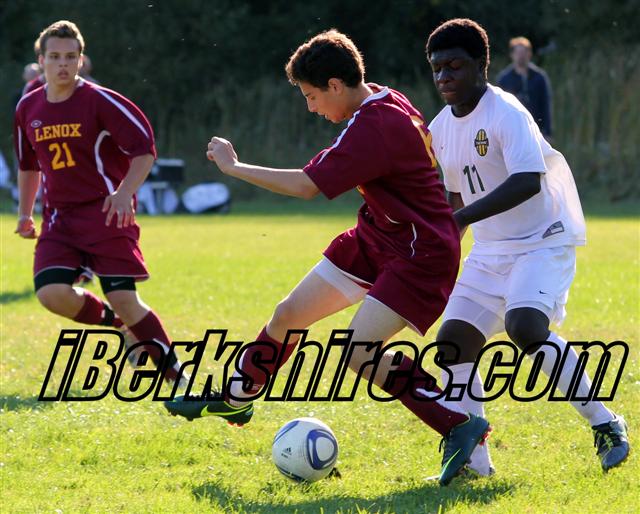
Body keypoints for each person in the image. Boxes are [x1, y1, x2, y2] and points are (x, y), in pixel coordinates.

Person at [164, 29, 490, 486]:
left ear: (336, 85)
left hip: (421, 252)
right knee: (289, 314)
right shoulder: (380, 100)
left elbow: (306, 186)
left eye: (311, 96)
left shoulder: (374, 126)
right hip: (378, 236)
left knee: (359, 352)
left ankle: (458, 423)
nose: (311, 107)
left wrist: (234, 168)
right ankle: (237, 397)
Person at [425, 18, 629, 476]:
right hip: (490, 250)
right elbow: (456, 195)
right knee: (453, 341)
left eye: (454, 66)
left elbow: (526, 181)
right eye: (437, 68)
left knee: (525, 326)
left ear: (481, 65)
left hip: (542, 241)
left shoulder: (506, 112)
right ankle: (474, 462)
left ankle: (605, 423)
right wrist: (444, 236)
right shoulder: (441, 128)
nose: (444, 76)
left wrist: (461, 219)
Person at [14, 20, 186, 387]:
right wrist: (25, 214)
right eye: (55, 57)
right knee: (51, 294)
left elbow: (144, 150)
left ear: (81, 60)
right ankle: (122, 327)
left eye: (70, 57)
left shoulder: (100, 100)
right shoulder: (28, 107)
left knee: (124, 297)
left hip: (105, 214)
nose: (63, 64)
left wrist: (124, 193)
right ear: (41, 61)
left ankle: (178, 380)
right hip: (59, 219)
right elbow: (28, 165)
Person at [496, 37, 552, 140]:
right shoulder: (504, 79)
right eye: (518, 53)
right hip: (512, 131)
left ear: (529, 54)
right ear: (512, 55)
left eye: (524, 52)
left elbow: (545, 105)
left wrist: (547, 132)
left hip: (536, 131)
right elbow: (499, 108)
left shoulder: (539, 77)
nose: (521, 56)